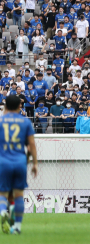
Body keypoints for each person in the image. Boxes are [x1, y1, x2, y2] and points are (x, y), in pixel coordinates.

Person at [0, 95, 38, 235]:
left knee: (2, 194)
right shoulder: (25, 122)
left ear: (5, 106)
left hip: (3, 162)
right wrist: (35, 163)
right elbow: (31, 144)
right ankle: (17, 227)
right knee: (18, 195)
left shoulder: (1, 122)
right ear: (19, 106)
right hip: (20, 161)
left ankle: (3, 211)